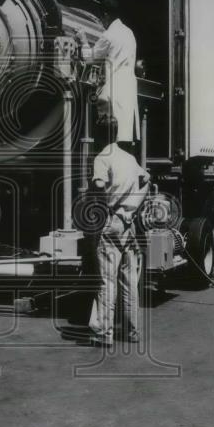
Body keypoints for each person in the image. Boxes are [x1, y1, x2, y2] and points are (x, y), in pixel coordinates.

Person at [88, 118, 149, 347]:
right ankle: (133, 332)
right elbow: (146, 179)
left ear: (98, 135)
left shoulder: (103, 157)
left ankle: (104, 333)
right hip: (129, 224)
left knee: (107, 282)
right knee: (129, 281)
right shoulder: (129, 158)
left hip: (111, 222)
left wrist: (100, 191)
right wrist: (131, 206)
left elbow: (101, 184)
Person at [80, 0, 140, 146]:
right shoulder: (129, 33)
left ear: (106, 15)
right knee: (124, 138)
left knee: (108, 139)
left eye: (101, 19)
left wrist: (83, 41)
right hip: (128, 89)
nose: (102, 23)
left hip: (112, 91)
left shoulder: (109, 35)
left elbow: (89, 58)